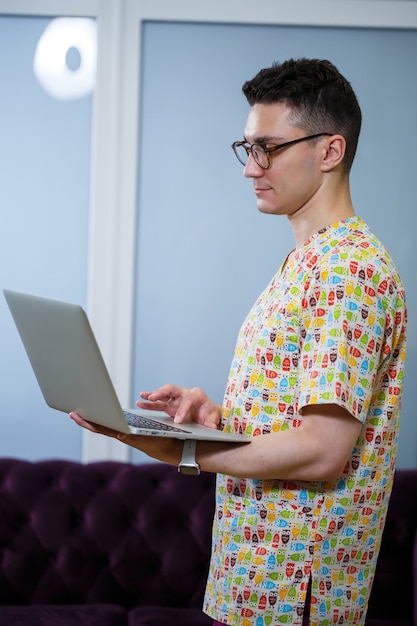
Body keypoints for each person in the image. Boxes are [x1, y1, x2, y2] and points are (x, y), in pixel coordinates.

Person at [70, 58, 407, 626]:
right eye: (247, 148)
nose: (251, 167)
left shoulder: (350, 271)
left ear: (329, 151)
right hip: (252, 580)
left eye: (268, 148)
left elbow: (325, 450)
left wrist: (188, 450)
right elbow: (295, 421)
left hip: (295, 596)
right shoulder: (308, 263)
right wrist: (217, 419)